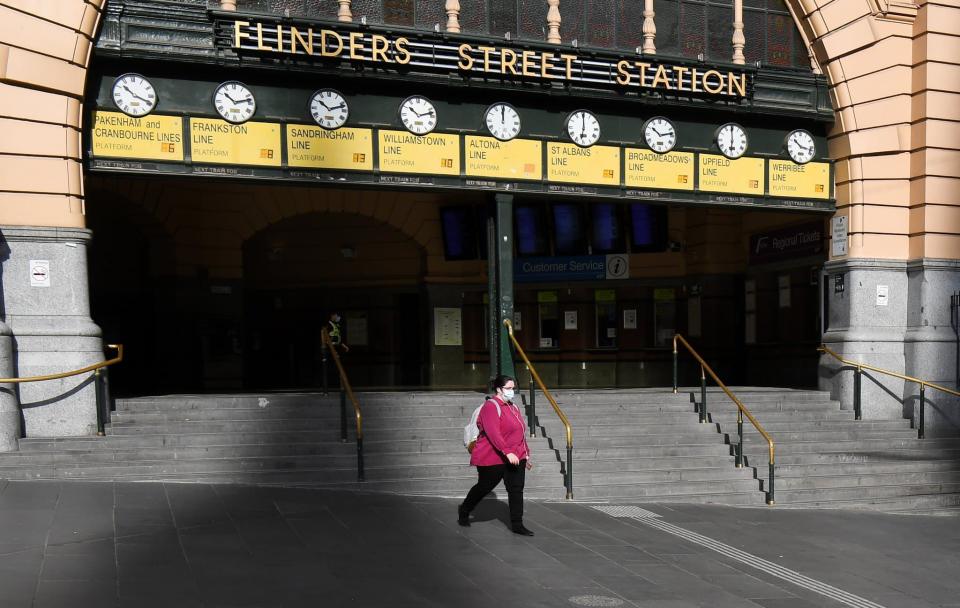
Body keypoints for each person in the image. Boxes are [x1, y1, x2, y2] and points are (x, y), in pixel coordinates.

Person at [458, 375, 535, 536]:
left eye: (513, 388)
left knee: (516, 489)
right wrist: (507, 452)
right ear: (499, 389)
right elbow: (494, 433)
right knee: (485, 486)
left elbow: (520, 432)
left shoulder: (513, 408)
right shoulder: (491, 406)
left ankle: (517, 524)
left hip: (516, 456)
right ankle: (465, 509)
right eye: (508, 388)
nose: (511, 391)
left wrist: (525, 454)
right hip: (494, 456)